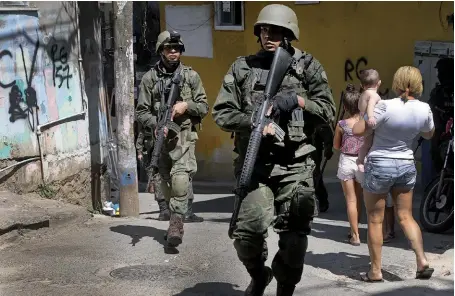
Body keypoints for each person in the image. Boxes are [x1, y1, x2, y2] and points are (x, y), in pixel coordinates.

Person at [212, 4, 336, 295]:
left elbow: (329, 110)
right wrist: (254, 122)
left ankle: (285, 287)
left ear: (290, 35)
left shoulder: (309, 67)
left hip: (296, 165)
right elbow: (222, 112)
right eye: (264, 31)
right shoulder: (242, 68)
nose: (268, 36)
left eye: (276, 32)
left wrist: (299, 101)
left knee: (294, 241)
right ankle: (259, 274)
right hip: (256, 165)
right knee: (246, 236)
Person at [353, 66, 435, 282]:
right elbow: (428, 134)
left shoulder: (384, 106)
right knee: (406, 216)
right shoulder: (424, 108)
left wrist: (364, 112)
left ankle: (375, 271)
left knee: (375, 219)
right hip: (406, 165)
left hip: (380, 164)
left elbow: (358, 130)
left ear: (397, 82)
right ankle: (422, 261)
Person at [136, 30, 209, 248]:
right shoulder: (150, 79)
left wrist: (186, 106)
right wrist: (156, 125)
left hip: (183, 139)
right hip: (159, 140)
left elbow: (204, 107)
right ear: (161, 51)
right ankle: (170, 213)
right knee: (164, 185)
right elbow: (141, 111)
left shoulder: (190, 76)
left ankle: (176, 224)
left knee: (180, 181)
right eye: (169, 48)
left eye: (177, 49)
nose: (173, 52)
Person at [333, 84, 364, 246]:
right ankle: (355, 228)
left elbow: (336, 146)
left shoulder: (342, 124)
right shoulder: (366, 123)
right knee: (358, 198)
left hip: (346, 161)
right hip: (362, 162)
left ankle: (355, 235)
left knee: (350, 200)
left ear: (344, 106)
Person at [428, 58, 454, 173]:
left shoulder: (438, 92)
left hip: (442, 137)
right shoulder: (438, 92)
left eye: (440, 72)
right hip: (440, 136)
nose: (438, 75)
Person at [356, 69, 382, 172]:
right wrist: (371, 117)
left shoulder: (363, 94)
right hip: (368, 123)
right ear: (379, 83)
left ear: (361, 85)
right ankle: (360, 161)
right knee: (367, 144)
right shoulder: (373, 95)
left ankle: (361, 160)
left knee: (365, 144)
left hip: (362, 120)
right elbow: (371, 105)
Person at [312, 123, 334, 212]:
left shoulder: (312, 115)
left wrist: (328, 146)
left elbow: (325, 129)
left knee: (314, 176)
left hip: (313, 153)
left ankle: (322, 199)